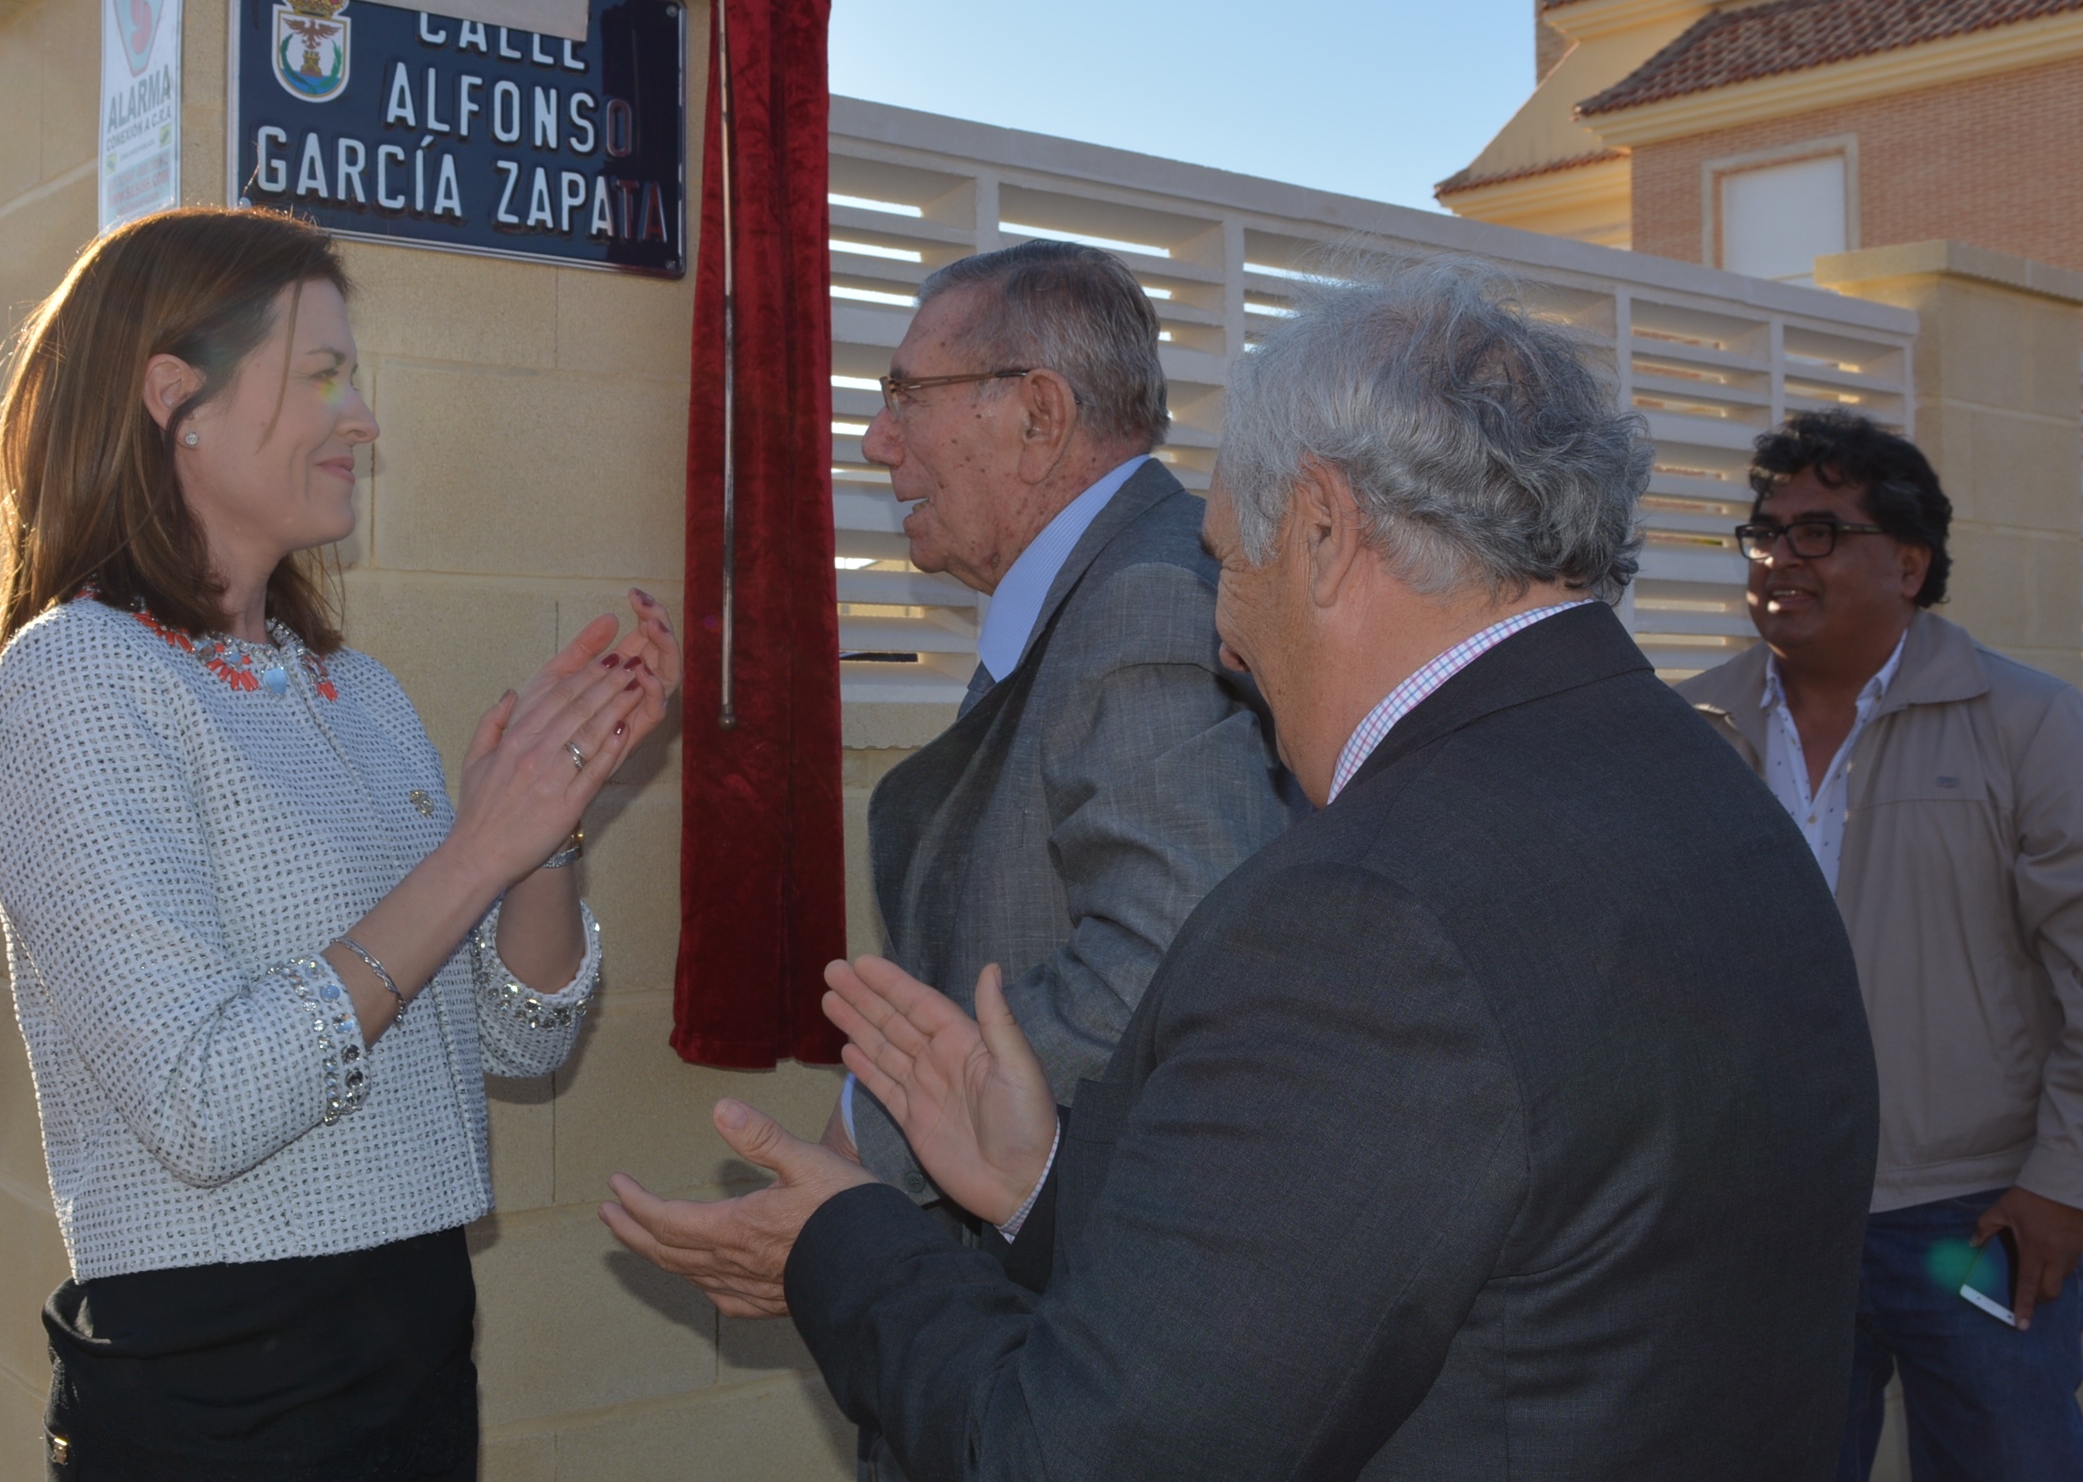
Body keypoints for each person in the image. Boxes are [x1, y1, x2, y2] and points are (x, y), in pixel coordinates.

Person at [602, 260, 1882, 1481]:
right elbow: (1380, 1251)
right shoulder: (1720, 797)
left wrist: (843, 1242)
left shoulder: (1364, 919)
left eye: (1232, 558)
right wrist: (1040, 1184)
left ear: (1323, 528)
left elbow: (1070, 1455)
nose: (1221, 633)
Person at [0, 208, 681, 1480]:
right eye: (322, 374)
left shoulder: (350, 691)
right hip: (219, 1394)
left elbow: (515, 1040)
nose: (362, 420)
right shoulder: (75, 680)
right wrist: (471, 853)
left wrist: (546, 824)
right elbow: (203, 1102)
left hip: (412, 1354)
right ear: (175, 399)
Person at [1679, 411, 2083, 1482]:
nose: (1779, 558)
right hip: (1770, 1217)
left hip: (1973, 1217)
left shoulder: (2026, 724)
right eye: (1764, 532)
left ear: (1908, 565)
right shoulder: (1692, 734)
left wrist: (2069, 1181)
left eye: (1819, 532)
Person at [821, 238, 1294, 1216]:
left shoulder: (1146, 602)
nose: (876, 440)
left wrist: (882, 1129)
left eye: (906, 395)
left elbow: (1164, 959)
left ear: (1039, 415)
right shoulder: (1102, 589)